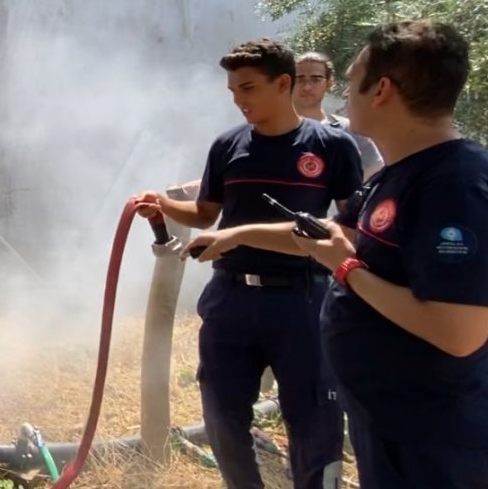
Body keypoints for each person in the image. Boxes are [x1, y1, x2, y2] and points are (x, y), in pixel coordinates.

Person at [186, 21, 488, 489]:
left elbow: (459, 331)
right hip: (393, 424)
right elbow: (328, 235)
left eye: (350, 79)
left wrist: (346, 270)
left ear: (383, 90)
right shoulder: (400, 174)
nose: (339, 92)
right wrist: (238, 234)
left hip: (437, 440)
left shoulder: (458, 186)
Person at [136, 38, 363, 489]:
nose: (239, 100)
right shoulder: (227, 146)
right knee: (221, 414)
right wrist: (161, 204)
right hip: (231, 297)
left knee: (314, 417)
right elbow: (206, 213)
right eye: (233, 91)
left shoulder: (333, 147)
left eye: (248, 88)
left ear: (283, 83)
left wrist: (236, 236)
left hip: (304, 297)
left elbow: (346, 233)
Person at [295, 51, 384, 178]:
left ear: (329, 83)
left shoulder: (348, 129)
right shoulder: (273, 128)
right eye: (300, 79)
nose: (307, 87)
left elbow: (375, 170)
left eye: (316, 79)